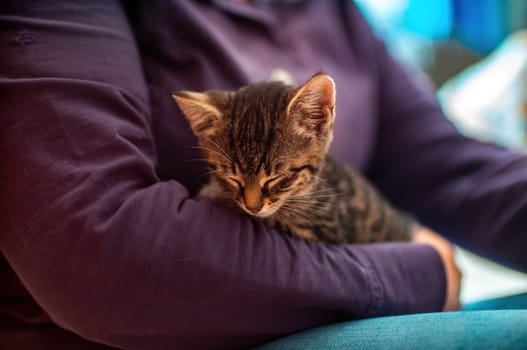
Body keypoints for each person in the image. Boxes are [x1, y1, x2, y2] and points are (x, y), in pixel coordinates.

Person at [0, 1, 525, 349]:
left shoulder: (329, 9)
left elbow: (451, 166)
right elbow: (102, 252)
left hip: (336, 308)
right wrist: (415, 274)